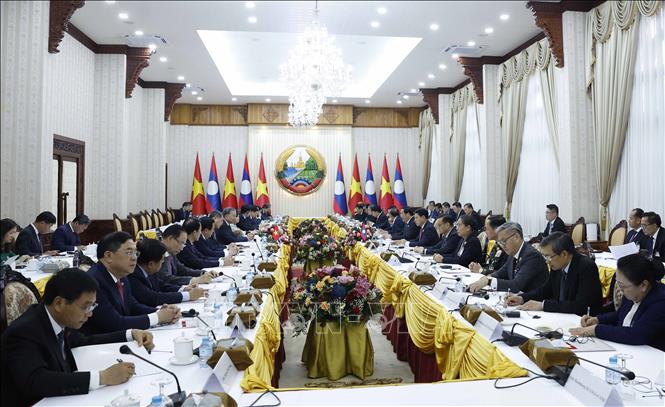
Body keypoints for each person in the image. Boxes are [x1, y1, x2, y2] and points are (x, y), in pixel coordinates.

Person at [0, 268, 154, 406]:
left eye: (92, 306)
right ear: (59, 303)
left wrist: (130, 334)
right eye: (85, 306)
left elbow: (84, 340)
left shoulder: (58, 319)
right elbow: (36, 381)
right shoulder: (23, 332)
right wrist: (103, 377)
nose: (89, 313)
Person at [81, 232, 180, 335]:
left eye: (135, 253)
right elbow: (115, 323)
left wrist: (161, 311)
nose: (134, 258)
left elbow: (133, 306)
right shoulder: (93, 282)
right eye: (128, 252)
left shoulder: (122, 276)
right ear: (109, 256)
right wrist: (158, 317)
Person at [569, 253, 665, 351]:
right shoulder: (633, 292)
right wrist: (597, 320)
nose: (620, 291)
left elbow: (637, 334)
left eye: (622, 286)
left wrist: (596, 330)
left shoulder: (660, 302)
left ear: (643, 285)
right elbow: (620, 315)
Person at [506, 232, 603, 315]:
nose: (547, 261)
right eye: (545, 257)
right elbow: (546, 290)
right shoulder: (557, 264)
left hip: (584, 320)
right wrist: (522, 298)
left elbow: (580, 306)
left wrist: (543, 305)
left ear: (564, 254)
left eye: (549, 256)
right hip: (562, 316)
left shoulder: (586, 267)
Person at [468, 222, 548, 293]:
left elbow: (516, 285)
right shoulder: (513, 253)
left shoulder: (531, 256)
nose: (502, 246)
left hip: (533, 301)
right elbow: (500, 273)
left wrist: (489, 281)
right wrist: (485, 278)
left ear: (516, 237)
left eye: (504, 241)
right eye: (500, 242)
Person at [129, 239, 205, 306]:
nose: (163, 262)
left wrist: (184, 289)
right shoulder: (134, 275)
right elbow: (153, 298)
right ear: (151, 264)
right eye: (162, 260)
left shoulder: (149, 271)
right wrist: (188, 295)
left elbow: (162, 285)